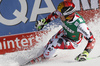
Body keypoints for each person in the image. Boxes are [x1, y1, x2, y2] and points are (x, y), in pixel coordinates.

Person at [30, 1, 96, 63]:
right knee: (49, 43)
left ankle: (43, 58)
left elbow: (92, 40)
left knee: (55, 42)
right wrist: (44, 22)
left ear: (68, 15)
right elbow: (54, 14)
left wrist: (85, 53)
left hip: (73, 42)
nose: (58, 15)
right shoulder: (64, 15)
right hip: (64, 32)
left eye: (60, 14)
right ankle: (43, 55)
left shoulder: (80, 24)